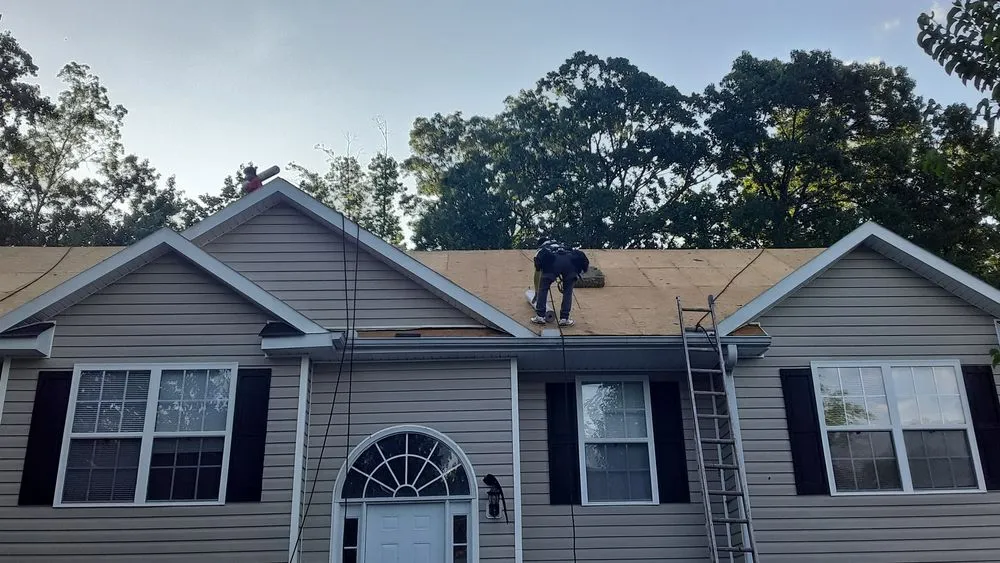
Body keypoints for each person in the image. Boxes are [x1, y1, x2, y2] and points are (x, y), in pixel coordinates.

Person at [531, 238, 589, 326]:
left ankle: (540, 316)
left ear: (540, 244)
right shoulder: (563, 247)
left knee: (543, 288)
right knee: (568, 292)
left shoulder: (542, 250)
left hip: (553, 263)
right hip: (570, 264)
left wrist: (536, 291)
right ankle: (564, 319)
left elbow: (537, 273)